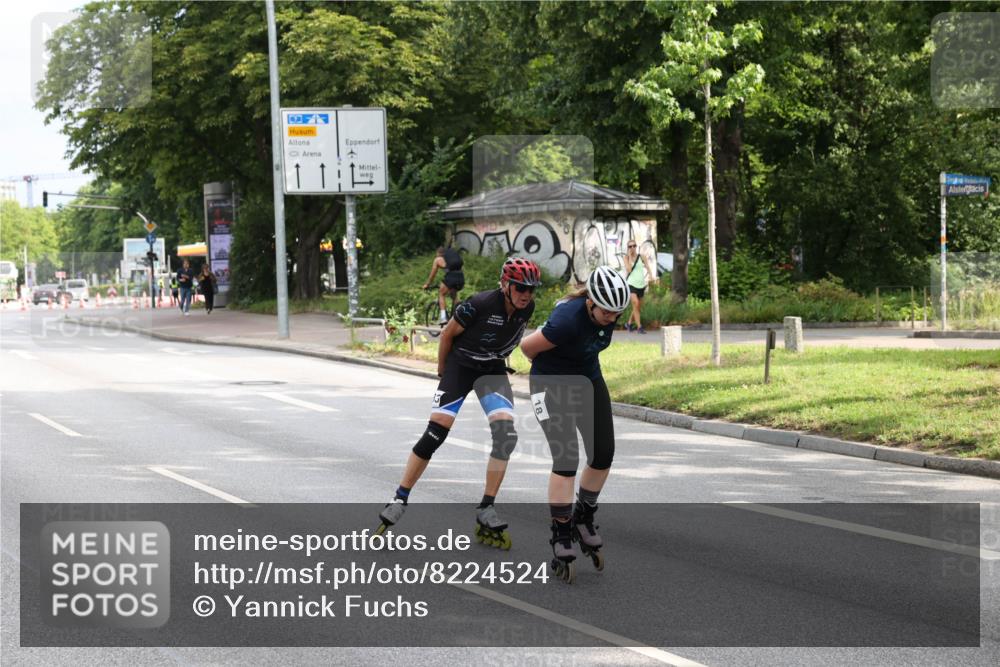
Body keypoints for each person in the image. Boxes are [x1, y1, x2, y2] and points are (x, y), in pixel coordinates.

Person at [379, 258, 542, 548]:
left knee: (506, 436)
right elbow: (447, 334)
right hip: (460, 366)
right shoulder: (478, 304)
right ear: (505, 284)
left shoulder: (526, 308)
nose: (526, 294)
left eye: (531, 289)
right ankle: (400, 498)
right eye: (520, 287)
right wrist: (443, 372)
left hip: (491, 368)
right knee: (436, 432)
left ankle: (487, 507)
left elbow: (513, 339)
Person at [519, 265, 630, 583]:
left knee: (603, 453)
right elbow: (527, 348)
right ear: (590, 302)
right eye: (606, 312)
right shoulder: (567, 320)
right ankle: (562, 531)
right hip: (549, 384)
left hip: (587, 378)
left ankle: (583, 516)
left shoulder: (608, 313)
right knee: (566, 459)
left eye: (616, 313)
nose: (611, 319)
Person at [422, 246, 464, 324]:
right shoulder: (452, 259)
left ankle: (443, 318)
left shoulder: (438, 259)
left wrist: (427, 284)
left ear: (438, 253)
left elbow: (433, 273)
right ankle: (458, 314)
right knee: (454, 295)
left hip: (451, 277)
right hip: (461, 277)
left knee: (441, 294)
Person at [623, 241, 656, 333]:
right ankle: (639, 327)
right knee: (636, 303)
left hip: (641, 285)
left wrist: (651, 276)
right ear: (628, 248)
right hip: (631, 284)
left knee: (637, 307)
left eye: (634, 246)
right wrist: (629, 257)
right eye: (630, 246)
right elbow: (629, 270)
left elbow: (648, 267)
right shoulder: (626, 258)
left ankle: (629, 323)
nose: (632, 248)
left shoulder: (641, 257)